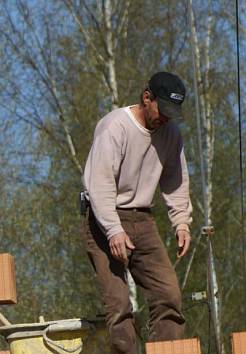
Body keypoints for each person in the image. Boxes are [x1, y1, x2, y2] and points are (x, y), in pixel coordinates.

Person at [82, 72, 193, 354]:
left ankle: (165, 350)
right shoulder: (114, 127)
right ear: (147, 98)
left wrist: (181, 222)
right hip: (103, 219)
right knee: (119, 305)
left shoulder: (170, 134)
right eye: (162, 110)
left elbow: (175, 178)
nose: (166, 118)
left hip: (143, 220)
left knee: (168, 295)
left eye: (172, 113)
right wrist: (113, 229)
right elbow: (100, 183)